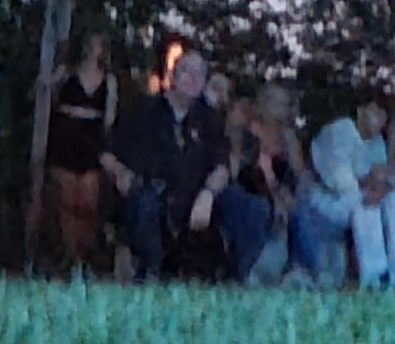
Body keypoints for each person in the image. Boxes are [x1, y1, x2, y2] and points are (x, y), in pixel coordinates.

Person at [113, 44, 266, 281]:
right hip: (154, 192)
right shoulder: (145, 111)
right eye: (187, 71)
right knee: (145, 202)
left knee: (253, 209)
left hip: (197, 197)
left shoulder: (209, 120)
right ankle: (151, 273)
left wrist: (208, 194)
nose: (193, 78)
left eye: (200, 73)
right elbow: (108, 151)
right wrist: (120, 172)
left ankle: (237, 278)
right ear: (173, 76)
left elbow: (222, 166)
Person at [310, 96, 395, 288]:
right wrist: (370, 187)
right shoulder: (339, 131)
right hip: (328, 200)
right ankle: (372, 274)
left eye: (383, 115)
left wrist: (378, 186)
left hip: (359, 193)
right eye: (375, 112)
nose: (380, 119)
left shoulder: (377, 142)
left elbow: (385, 180)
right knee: (365, 204)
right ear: (360, 111)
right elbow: (339, 180)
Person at [38, 34, 118, 278]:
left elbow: (109, 116)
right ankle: (69, 256)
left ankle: (85, 256)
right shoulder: (67, 73)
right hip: (66, 138)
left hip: (91, 140)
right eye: (89, 45)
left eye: (97, 46)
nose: (92, 50)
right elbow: (45, 87)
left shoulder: (109, 80)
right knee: (65, 201)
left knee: (88, 203)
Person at [240, 87, 313, 282]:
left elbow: (297, 173)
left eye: (284, 104)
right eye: (277, 102)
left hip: (282, 192)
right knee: (275, 209)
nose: (282, 108)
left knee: (301, 207)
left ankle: (300, 268)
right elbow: (251, 173)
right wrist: (276, 196)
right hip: (254, 189)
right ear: (263, 104)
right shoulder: (250, 134)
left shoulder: (288, 138)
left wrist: (288, 193)